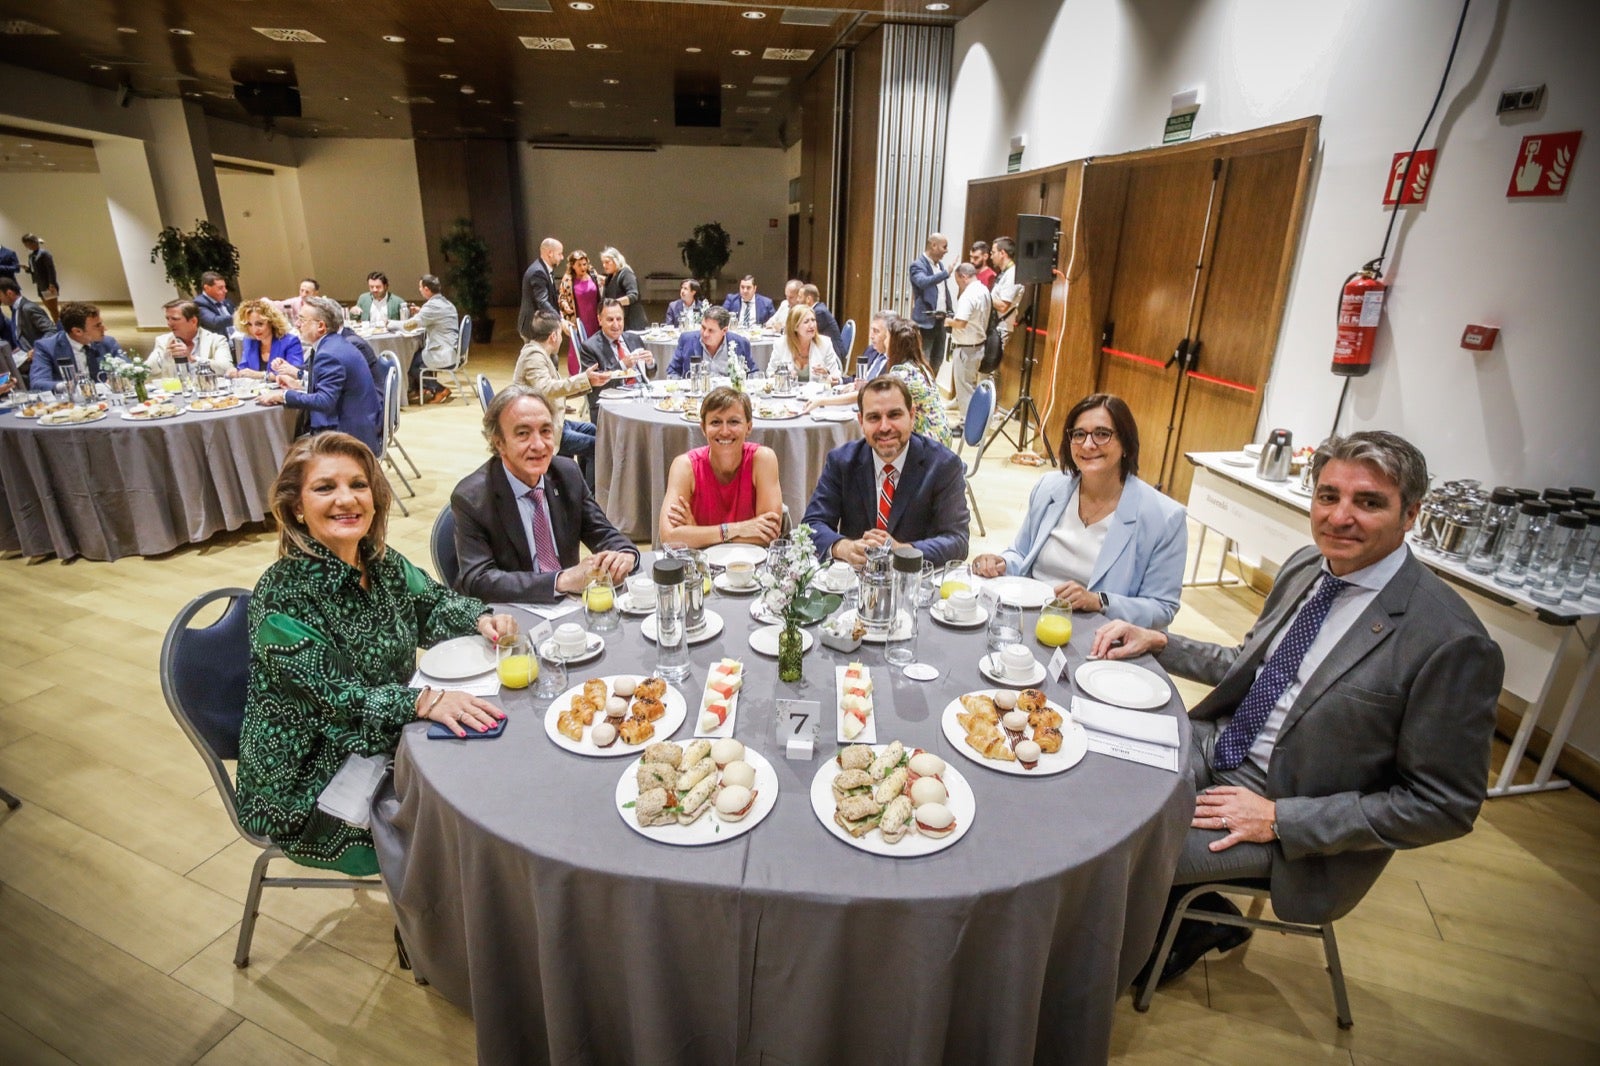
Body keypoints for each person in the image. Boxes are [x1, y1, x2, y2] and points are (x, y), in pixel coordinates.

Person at [1094, 431, 1503, 983]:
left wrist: (1278, 819)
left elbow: (1445, 804)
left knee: (1120, 849)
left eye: (1369, 502)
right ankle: (1187, 920)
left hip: (1287, 814)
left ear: (1412, 515)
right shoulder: (1309, 565)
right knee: (1093, 775)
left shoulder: (1451, 641)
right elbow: (1253, 665)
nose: (1340, 517)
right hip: (1217, 744)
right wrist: (1163, 642)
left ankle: (1108, 968)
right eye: (1328, 496)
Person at [236, 431, 515, 874]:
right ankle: (438, 930)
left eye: (358, 485)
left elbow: (433, 604)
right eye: (325, 487)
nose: (346, 499)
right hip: (313, 785)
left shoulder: (379, 562)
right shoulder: (282, 597)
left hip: (385, 737)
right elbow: (339, 698)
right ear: (296, 508)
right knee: (467, 829)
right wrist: (425, 701)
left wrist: (480, 618)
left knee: (494, 771)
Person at [971, 393, 1185, 628]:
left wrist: (1099, 601)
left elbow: (1162, 607)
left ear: (1126, 444)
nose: (1088, 444)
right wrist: (1000, 562)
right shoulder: (1049, 487)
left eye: (1102, 434)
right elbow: (1021, 554)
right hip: (1032, 618)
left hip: (1102, 632)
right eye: (1079, 434)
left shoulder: (1165, 517)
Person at [451, 386, 639, 604]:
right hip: (510, 614)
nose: (539, 445)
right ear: (499, 443)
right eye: (523, 434)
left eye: (546, 431)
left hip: (567, 609)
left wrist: (625, 554)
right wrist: (561, 580)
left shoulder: (567, 474)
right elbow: (478, 580)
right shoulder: (471, 498)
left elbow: (604, 533)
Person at [801, 376, 970, 567]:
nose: (884, 427)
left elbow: (957, 540)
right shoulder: (841, 461)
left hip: (917, 583)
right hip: (855, 583)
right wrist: (843, 547)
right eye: (874, 417)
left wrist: (903, 551)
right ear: (861, 422)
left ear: (912, 416)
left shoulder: (943, 465)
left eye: (894, 415)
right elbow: (811, 525)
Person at [658, 386, 783, 549]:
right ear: (703, 428)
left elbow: (769, 535)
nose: (725, 431)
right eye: (716, 422)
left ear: (749, 427)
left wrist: (696, 533)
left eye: (733, 422)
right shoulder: (684, 466)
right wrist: (739, 529)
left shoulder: (763, 459)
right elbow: (669, 538)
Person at [260, 297, 382, 457]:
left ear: (321, 326)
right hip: (357, 423)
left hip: (348, 436)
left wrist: (284, 396)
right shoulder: (334, 343)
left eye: (302, 319)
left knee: (281, 449)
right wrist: (301, 383)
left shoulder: (328, 354)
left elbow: (325, 401)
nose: (296, 324)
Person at [512, 312, 606, 487]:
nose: (562, 339)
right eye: (561, 334)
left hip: (556, 419)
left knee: (595, 431)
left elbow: (554, 390)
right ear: (553, 336)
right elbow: (547, 388)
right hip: (543, 429)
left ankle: (581, 485)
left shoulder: (539, 354)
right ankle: (591, 495)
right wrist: (583, 379)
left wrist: (587, 382)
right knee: (597, 445)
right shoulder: (534, 356)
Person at [577, 299, 653, 419]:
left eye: (619, 319)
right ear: (599, 320)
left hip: (641, 399)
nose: (616, 325)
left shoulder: (634, 339)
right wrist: (622, 365)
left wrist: (650, 363)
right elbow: (595, 383)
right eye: (610, 320)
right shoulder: (590, 347)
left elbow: (650, 374)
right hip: (613, 405)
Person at [28, 301, 122, 389]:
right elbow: (38, 383)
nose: (105, 329)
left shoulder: (108, 343)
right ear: (77, 331)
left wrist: (118, 378)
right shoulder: (46, 347)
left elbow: (128, 368)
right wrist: (70, 387)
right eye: (97, 326)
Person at [400, 274, 458, 405]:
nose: (419, 290)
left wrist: (389, 323)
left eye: (420, 287)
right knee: (416, 356)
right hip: (451, 348)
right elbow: (436, 315)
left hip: (443, 352)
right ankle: (421, 388)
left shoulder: (431, 307)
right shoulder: (445, 302)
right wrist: (422, 311)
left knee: (411, 364)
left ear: (426, 289)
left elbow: (409, 325)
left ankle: (439, 389)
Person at [947, 262, 993, 422]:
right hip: (978, 344)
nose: (958, 284)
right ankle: (974, 422)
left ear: (964, 276)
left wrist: (947, 321)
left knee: (965, 388)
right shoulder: (984, 290)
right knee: (971, 386)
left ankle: (966, 423)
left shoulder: (968, 295)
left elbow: (961, 322)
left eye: (958, 280)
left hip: (966, 348)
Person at [147, 299, 235, 378]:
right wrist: (165, 356)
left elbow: (226, 368)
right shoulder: (163, 341)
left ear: (193, 321)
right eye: (167, 319)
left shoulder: (216, 340)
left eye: (175, 319)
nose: (169, 323)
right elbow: (147, 370)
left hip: (208, 391)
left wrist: (193, 359)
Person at [666, 306, 758, 379]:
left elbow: (753, 373)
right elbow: (672, 371)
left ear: (724, 331)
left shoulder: (741, 343)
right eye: (703, 327)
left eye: (711, 330)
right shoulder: (687, 340)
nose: (705, 334)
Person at [768, 304, 842, 385]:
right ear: (795, 327)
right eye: (806, 322)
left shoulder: (825, 343)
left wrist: (827, 375)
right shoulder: (780, 344)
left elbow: (837, 378)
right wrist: (783, 377)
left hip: (817, 396)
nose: (812, 325)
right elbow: (770, 374)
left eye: (813, 320)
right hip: (787, 394)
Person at [908, 232, 951, 372]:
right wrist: (945, 274)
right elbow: (922, 282)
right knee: (923, 361)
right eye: (944, 247)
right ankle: (922, 391)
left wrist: (950, 311)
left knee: (937, 360)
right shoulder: (917, 265)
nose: (947, 250)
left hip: (940, 321)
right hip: (925, 322)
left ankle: (931, 389)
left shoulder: (940, 266)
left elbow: (943, 291)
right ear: (933, 245)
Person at [232, 298, 305, 378]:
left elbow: (296, 373)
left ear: (271, 322)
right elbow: (243, 368)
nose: (254, 329)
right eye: (249, 324)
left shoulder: (290, 341)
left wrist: (262, 375)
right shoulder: (249, 341)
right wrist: (235, 372)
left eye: (259, 324)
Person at [519, 237, 565, 343]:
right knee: (544, 358)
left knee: (552, 358)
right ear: (550, 253)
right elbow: (542, 301)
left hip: (538, 325)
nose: (562, 257)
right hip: (533, 328)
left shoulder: (544, 269)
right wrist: (560, 319)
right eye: (559, 254)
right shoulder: (538, 272)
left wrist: (558, 312)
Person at [0, 276, 56, 359]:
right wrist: (19, 348)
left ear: (9, 293)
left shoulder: (28, 308)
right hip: (24, 355)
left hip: (37, 358)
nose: (0, 299)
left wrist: (36, 349)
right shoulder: (16, 308)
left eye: (0, 295)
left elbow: (52, 330)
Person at [599, 246, 649, 332]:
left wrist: (614, 304)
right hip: (619, 322)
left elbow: (633, 296)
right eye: (603, 263)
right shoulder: (610, 276)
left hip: (631, 322)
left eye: (607, 262)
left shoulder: (626, 273)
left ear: (616, 260)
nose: (604, 265)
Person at [561, 249, 603, 347]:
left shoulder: (592, 274)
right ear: (573, 265)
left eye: (584, 264)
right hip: (580, 319)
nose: (583, 267)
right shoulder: (568, 279)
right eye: (579, 265)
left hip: (595, 317)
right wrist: (565, 305)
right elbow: (562, 297)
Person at [989, 236, 1023, 349]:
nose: (991, 256)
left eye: (993, 252)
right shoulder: (1005, 272)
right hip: (995, 326)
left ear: (1002, 253)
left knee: (992, 364)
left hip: (1001, 327)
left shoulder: (1012, 275)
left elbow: (1003, 306)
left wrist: (984, 297)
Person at [799, 283, 846, 356]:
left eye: (800, 297)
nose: (797, 300)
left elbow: (808, 335)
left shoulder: (819, 312)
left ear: (808, 299)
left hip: (832, 354)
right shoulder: (817, 309)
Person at [21, 234, 58, 320]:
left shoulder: (44, 254)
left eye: (27, 244)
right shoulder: (31, 255)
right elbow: (34, 270)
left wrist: (51, 284)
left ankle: (59, 328)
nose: (26, 246)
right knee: (49, 308)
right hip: (40, 285)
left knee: (53, 309)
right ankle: (57, 326)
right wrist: (27, 269)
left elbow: (51, 270)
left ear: (33, 243)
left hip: (48, 285)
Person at [194, 271, 237, 337]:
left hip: (237, 342)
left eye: (225, 287)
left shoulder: (227, 302)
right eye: (220, 288)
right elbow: (214, 322)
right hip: (219, 345)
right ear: (207, 288)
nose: (225, 291)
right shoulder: (199, 303)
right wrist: (240, 316)